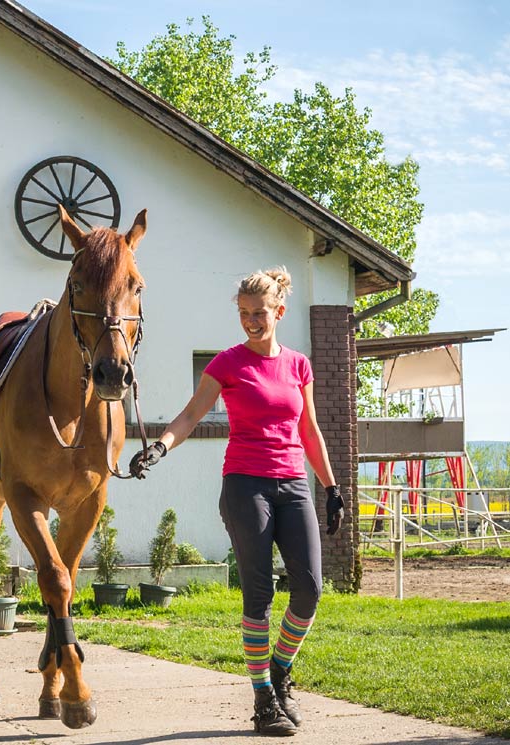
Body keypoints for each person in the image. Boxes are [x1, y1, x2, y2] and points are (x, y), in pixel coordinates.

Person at [129, 267, 344, 737]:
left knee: (309, 588)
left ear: (279, 312)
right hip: (245, 484)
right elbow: (189, 416)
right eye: (244, 313)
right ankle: (263, 699)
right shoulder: (227, 364)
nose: (251, 321)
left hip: (293, 485)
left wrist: (331, 488)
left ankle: (281, 672)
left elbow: (308, 430)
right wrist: (161, 446)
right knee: (260, 593)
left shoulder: (298, 365)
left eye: (259, 313)